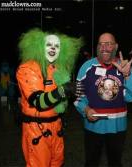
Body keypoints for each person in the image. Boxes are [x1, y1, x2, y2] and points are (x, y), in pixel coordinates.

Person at [16, 28, 83, 167]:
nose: (53, 48)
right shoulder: (28, 68)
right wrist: (63, 90)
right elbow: (38, 102)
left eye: (57, 46)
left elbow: (60, 101)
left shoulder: (58, 69)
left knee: (57, 162)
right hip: (36, 128)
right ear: (39, 47)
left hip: (56, 127)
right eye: (49, 44)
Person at [74, 32, 132, 167]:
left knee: (115, 163)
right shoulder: (86, 67)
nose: (104, 47)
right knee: (91, 162)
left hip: (118, 126)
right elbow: (78, 96)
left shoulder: (124, 66)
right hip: (93, 127)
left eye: (108, 44)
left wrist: (127, 74)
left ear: (115, 46)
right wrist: (85, 109)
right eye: (101, 44)